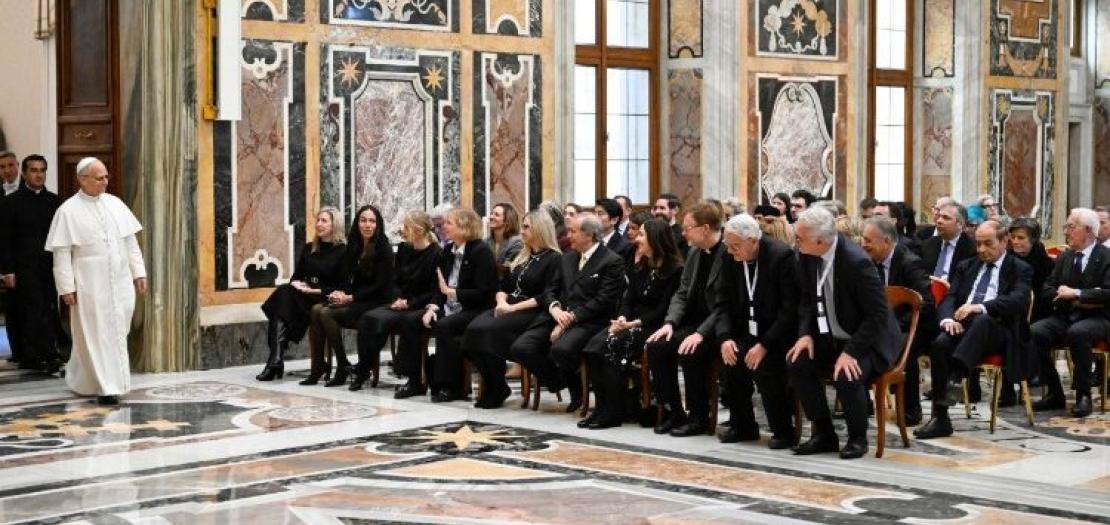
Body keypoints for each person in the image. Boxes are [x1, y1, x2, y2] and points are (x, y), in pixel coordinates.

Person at [786, 206, 900, 459]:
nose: (795, 242)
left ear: (820, 240)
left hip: (867, 341)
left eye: (799, 237)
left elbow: (877, 315)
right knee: (797, 362)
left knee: (847, 373)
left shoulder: (856, 262)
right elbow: (806, 300)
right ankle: (824, 434)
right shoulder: (805, 254)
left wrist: (850, 352)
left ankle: (858, 438)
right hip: (830, 336)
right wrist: (805, 334)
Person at [915, 220, 1034, 439]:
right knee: (941, 344)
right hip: (965, 328)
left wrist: (980, 307)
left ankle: (956, 376)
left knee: (982, 320)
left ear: (1004, 241)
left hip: (1000, 329)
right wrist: (947, 321)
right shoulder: (967, 266)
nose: (981, 250)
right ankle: (940, 418)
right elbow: (949, 298)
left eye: (988, 244)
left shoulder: (1020, 268)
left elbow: (1017, 301)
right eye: (978, 244)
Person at [45, 157, 147, 405]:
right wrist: (66, 288)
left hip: (120, 281)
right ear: (82, 179)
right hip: (90, 283)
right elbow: (61, 253)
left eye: (106, 177)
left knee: (116, 332)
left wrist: (139, 273)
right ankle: (107, 387)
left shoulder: (115, 203)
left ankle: (88, 379)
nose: (105, 182)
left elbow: (130, 243)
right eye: (99, 178)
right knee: (96, 333)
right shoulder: (68, 210)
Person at [510, 214, 626, 412]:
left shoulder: (611, 261)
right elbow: (550, 290)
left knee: (561, 350)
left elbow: (603, 301)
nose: (567, 236)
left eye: (573, 231)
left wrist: (570, 319)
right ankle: (558, 381)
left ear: (589, 235)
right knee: (521, 348)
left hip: (589, 320)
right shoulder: (567, 258)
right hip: (558, 315)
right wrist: (555, 308)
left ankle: (577, 393)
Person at [580, 218, 682, 429]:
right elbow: (629, 298)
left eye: (642, 234)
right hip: (630, 323)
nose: (637, 239)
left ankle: (614, 411)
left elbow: (664, 309)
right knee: (593, 347)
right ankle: (601, 407)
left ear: (656, 239)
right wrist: (622, 318)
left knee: (610, 346)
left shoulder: (675, 269)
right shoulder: (642, 264)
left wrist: (633, 324)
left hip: (654, 326)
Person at [715, 214, 798, 447]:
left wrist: (764, 345)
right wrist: (725, 338)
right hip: (745, 331)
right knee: (731, 360)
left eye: (735, 246)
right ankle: (743, 427)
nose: (731, 252)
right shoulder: (729, 256)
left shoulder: (780, 256)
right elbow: (722, 302)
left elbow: (789, 310)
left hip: (776, 334)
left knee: (765, 367)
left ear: (753, 240)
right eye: (728, 246)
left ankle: (783, 430)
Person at [464, 210, 562, 408]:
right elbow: (504, 287)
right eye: (522, 226)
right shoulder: (523, 255)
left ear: (540, 229)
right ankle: (496, 384)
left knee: (488, 332)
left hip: (532, 312)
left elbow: (545, 296)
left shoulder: (554, 259)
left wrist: (512, 308)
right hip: (508, 306)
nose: (522, 230)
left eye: (526, 227)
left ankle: (496, 388)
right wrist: (501, 302)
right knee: (471, 333)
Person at [646, 202, 726, 437]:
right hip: (690, 322)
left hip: (716, 326)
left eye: (688, 228)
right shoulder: (694, 252)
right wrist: (669, 323)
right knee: (656, 346)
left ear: (704, 228)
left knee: (690, 350)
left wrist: (700, 332)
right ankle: (673, 410)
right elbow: (682, 293)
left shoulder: (727, 252)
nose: (683, 233)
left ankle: (699, 416)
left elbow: (724, 306)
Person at [1030, 208, 1110, 417]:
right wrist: (1061, 293)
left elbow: (1107, 293)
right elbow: (1047, 287)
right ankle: (1055, 392)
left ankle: (1084, 395)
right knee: (1035, 332)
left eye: (1071, 227)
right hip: (1066, 314)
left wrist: (1077, 293)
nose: (1066, 231)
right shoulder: (1065, 257)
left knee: (1079, 332)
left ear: (1089, 231)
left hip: (1099, 317)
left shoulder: (1106, 257)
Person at [302, 205, 394, 387]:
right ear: (357, 223)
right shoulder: (354, 244)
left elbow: (380, 286)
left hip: (376, 301)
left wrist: (350, 298)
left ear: (378, 224)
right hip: (358, 298)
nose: (367, 225)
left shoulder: (383, 247)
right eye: (363, 220)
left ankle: (343, 365)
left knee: (326, 313)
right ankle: (322, 365)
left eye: (372, 221)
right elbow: (349, 278)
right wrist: (343, 293)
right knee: (316, 309)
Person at [352, 210, 441, 394]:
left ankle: (413, 381)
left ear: (417, 230)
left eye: (406, 226)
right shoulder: (404, 249)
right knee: (369, 318)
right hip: (401, 302)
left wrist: (409, 303)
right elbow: (395, 281)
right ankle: (363, 369)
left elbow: (434, 290)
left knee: (408, 322)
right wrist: (398, 298)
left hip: (421, 304)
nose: (402, 230)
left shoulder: (436, 254)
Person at [255, 207, 348, 381]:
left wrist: (316, 290)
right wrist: (297, 284)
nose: (319, 224)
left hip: (325, 299)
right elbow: (296, 277)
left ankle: (275, 361)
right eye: (318, 220)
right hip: (305, 297)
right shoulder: (309, 248)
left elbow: (343, 286)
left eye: (324, 221)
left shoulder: (343, 251)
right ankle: (276, 359)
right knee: (284, 293)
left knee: (280, 307)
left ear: (335, 225)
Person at [860, 216, 936, 425]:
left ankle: (910, 409)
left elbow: (926, 304)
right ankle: (860, 401)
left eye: (868, 240)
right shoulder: (866, 261)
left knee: (902, 346)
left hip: (913, 325)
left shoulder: (909, 262)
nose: (863, 245)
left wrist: (894, 326)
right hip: (881, 322)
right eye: (862, 239)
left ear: (886, 241)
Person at [421, 207, 498, 402]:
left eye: (448, 223)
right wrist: (433, 307)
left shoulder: (481, 251)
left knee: (446, 326)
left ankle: (449, 387)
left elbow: (484, 294)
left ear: (464, 227)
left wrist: (453, 293)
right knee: (417, 320)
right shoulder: (447, 250)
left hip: (475, 308)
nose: (443, 226)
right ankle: (417, 380)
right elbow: (439, 288)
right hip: (450, 305)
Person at [1, 154, 63, 372]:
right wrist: (7, 270)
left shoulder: (55, 202)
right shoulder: (11, 203)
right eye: (34, 170)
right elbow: (4, 239)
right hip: (23, 266)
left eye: (42, 170)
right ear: (24, 173)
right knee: (31, 310)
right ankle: (39, 355)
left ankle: (47, 352)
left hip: (49, 266)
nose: (39, 175)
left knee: (48, 308)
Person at [1, 151, 26, 366]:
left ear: (17, 166)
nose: (7, 170)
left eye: (10, 165)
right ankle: (16, 350)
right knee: (11, 308)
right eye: (2, 167)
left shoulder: (28, 191)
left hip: (26, 257)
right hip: (5, 257)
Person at [1009, 218, 1054, 323]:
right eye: (1013, 237)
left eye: (1020, 238)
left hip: (1037, 308)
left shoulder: (1044, 262)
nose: (1015, 241)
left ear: (1033, 239)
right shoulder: (1007, 257)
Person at [921, 202, 975, 281]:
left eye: (946, 218)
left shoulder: (972, 248)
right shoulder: (928, 244)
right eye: (939, 216)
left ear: (960, 224)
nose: (939, 221)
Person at [486, 202, 523, 275]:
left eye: (496, 215)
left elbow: (507, 269)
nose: (491, 217)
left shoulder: (517, 242)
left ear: (507, 221)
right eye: (491, 214)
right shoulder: (486, 242)